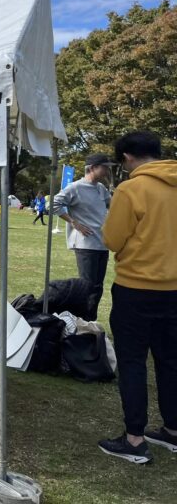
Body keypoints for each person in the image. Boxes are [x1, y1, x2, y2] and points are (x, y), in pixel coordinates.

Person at [97, 131, 177, 464]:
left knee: (132, 363)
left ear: (128, 158)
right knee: (171, 363)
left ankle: (134, 439)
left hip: (137, 288)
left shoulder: (131, 189)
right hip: (174, 290)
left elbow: (113, 239)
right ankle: (173, 431)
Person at [52, 153, 114, 321]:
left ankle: (90, 320)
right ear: (93, 167)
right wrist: (74, 222)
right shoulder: (75, 187)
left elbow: (113, 205)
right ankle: (81, 321)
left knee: (98, 287)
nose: (108, 170)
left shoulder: (101, 188)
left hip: (102, 244)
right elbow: (54, 203)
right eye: (105, 167)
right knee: (87, 286)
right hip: (86, 244)